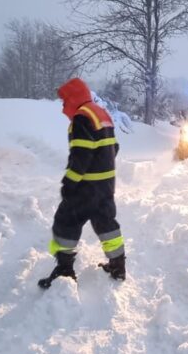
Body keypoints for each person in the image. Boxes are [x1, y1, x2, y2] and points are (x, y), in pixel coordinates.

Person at [39, 77, 126, 289]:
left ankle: (64, 270)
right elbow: (114, 147)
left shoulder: (81, 117)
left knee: (66, 221)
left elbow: (81, 155)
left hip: (86, 187)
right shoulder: (101, 113)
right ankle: (118, 266)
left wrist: (69, 182)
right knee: (106, 223)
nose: (62, 106)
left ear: (73, 98)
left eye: (64, 101)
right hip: (106, 185)